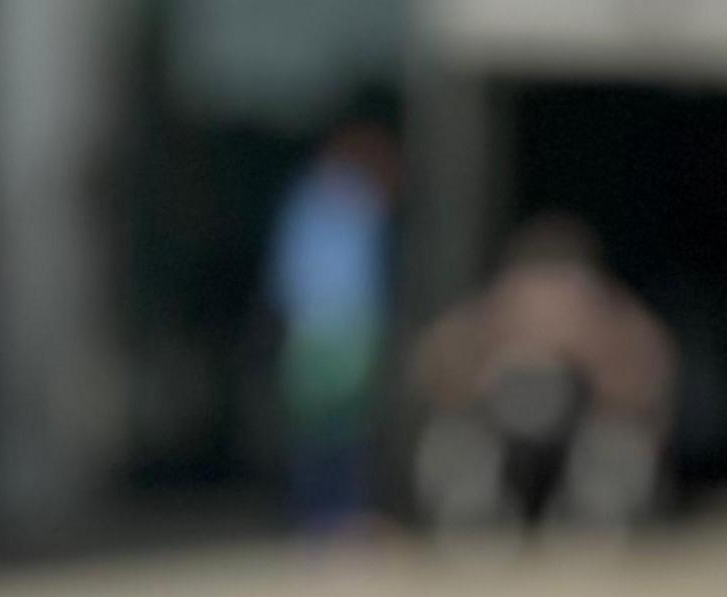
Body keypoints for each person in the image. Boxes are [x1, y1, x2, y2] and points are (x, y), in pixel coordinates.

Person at [406, 213, 673, 536]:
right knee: (454, 438)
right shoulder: (489, 314)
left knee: (617, 440)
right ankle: (474, 519)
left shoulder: (611, 317)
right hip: (492, 424)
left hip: (592, 425)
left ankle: (592, 519)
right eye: (537, 287)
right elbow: (433, 363)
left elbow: (652, 369)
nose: (548, 305)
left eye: (561, 287)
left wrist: (600, 378)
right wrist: (483, 376)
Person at [263, 106, 397, 538]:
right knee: (317, 433)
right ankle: (319, 519)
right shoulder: (314, 200)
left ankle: (342, 519)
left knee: (350, 431)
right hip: (318, 333)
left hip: (354, 333)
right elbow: (290, 275)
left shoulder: (363, 203)